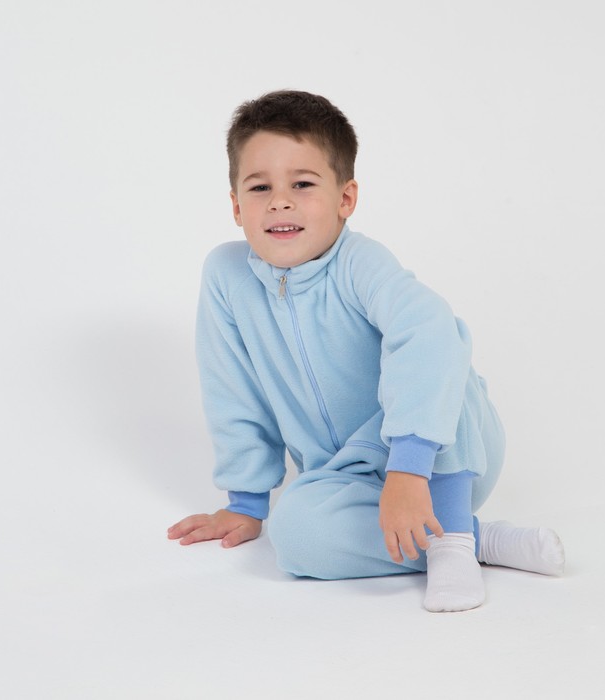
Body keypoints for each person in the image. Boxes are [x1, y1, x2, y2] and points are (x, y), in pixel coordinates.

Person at [167, 90, 564, 612]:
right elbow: (232, 388)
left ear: (345, 199)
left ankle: (451, 535)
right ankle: (474, 538)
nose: (279, 201)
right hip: (344, 476)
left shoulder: (360, 263)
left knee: (441, 341)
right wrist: (246, 502)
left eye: (302, 184)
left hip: (444, 453)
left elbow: (429, 333)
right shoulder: (226, 277)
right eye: (260, 187)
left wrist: (408, 467)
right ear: (237, 207)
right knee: (295, 537)